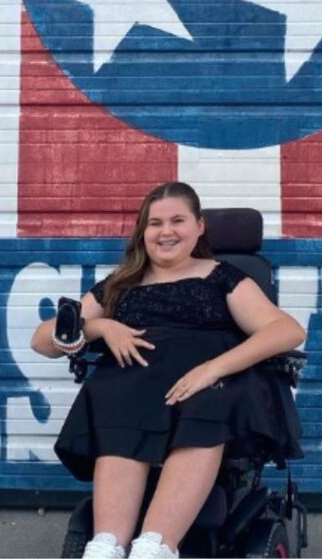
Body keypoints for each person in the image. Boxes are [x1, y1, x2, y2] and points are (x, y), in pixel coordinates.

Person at [31, 181, 306, 559]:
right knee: (116, 398)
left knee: (205, 404)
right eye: (155, 223)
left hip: (209, 386)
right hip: (135, 387)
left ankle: (155, 546)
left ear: (199, 227)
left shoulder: (223, 277)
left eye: (178, 220)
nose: (166, 232)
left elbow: (287, 330)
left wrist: (212, 369)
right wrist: (99, 326)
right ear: (143, 232)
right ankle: (106, 546)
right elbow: (42, 339)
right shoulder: (120, 284)